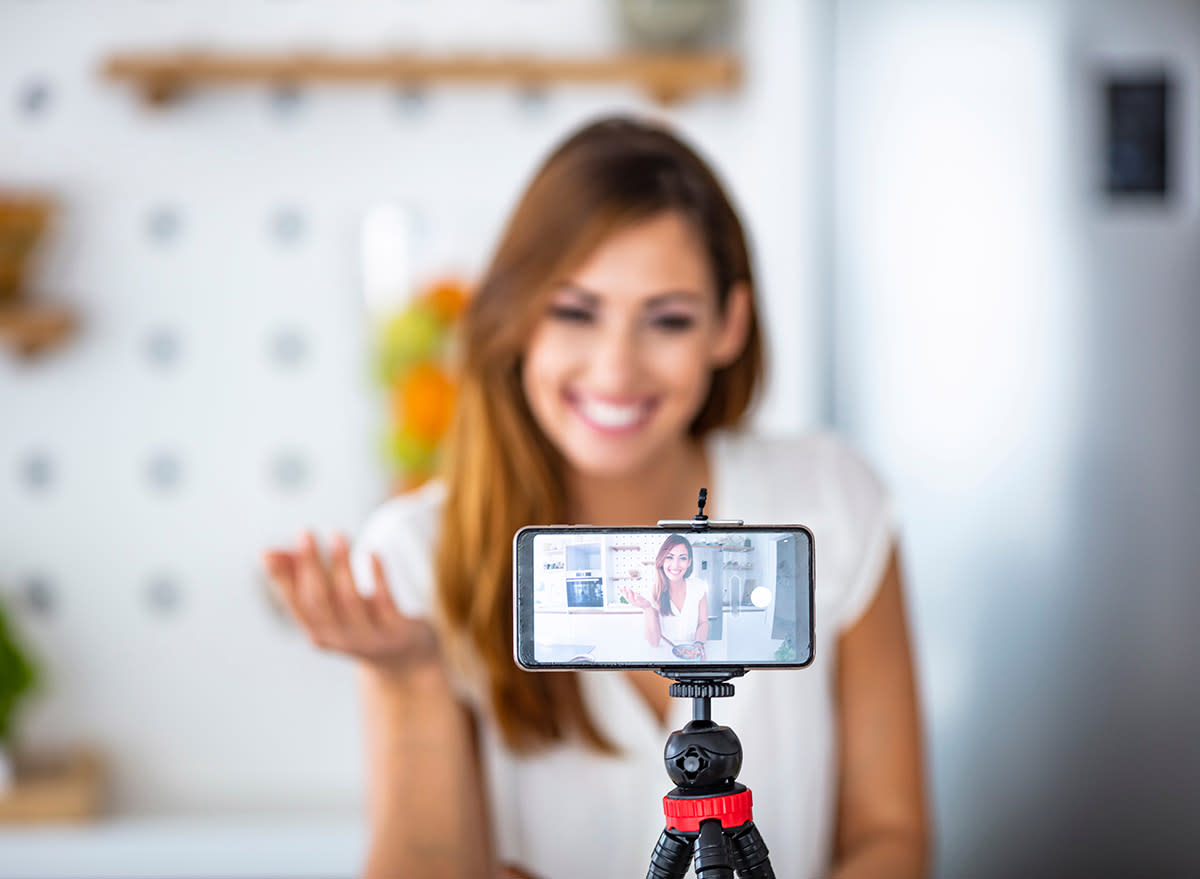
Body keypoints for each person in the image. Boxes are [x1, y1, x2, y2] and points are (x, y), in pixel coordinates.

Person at [263, 115, 928, 879]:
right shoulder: (416, 553)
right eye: (575, 310)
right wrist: (410, 675)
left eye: (668, 318)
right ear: (517, 316)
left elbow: (891, 837)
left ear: (729, 324)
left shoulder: (830, 500)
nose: (615, 368)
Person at [621, 533, 709, 658]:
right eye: (669, 557)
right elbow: (654, 642)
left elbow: (703, 622)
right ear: (662, 560)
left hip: (692, 654)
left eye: (682, 558)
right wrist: (647, 608)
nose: (675, 565)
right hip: (664, 656)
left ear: (689, 562)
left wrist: (699, 644)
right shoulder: (652, 591)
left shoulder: (698, 586)